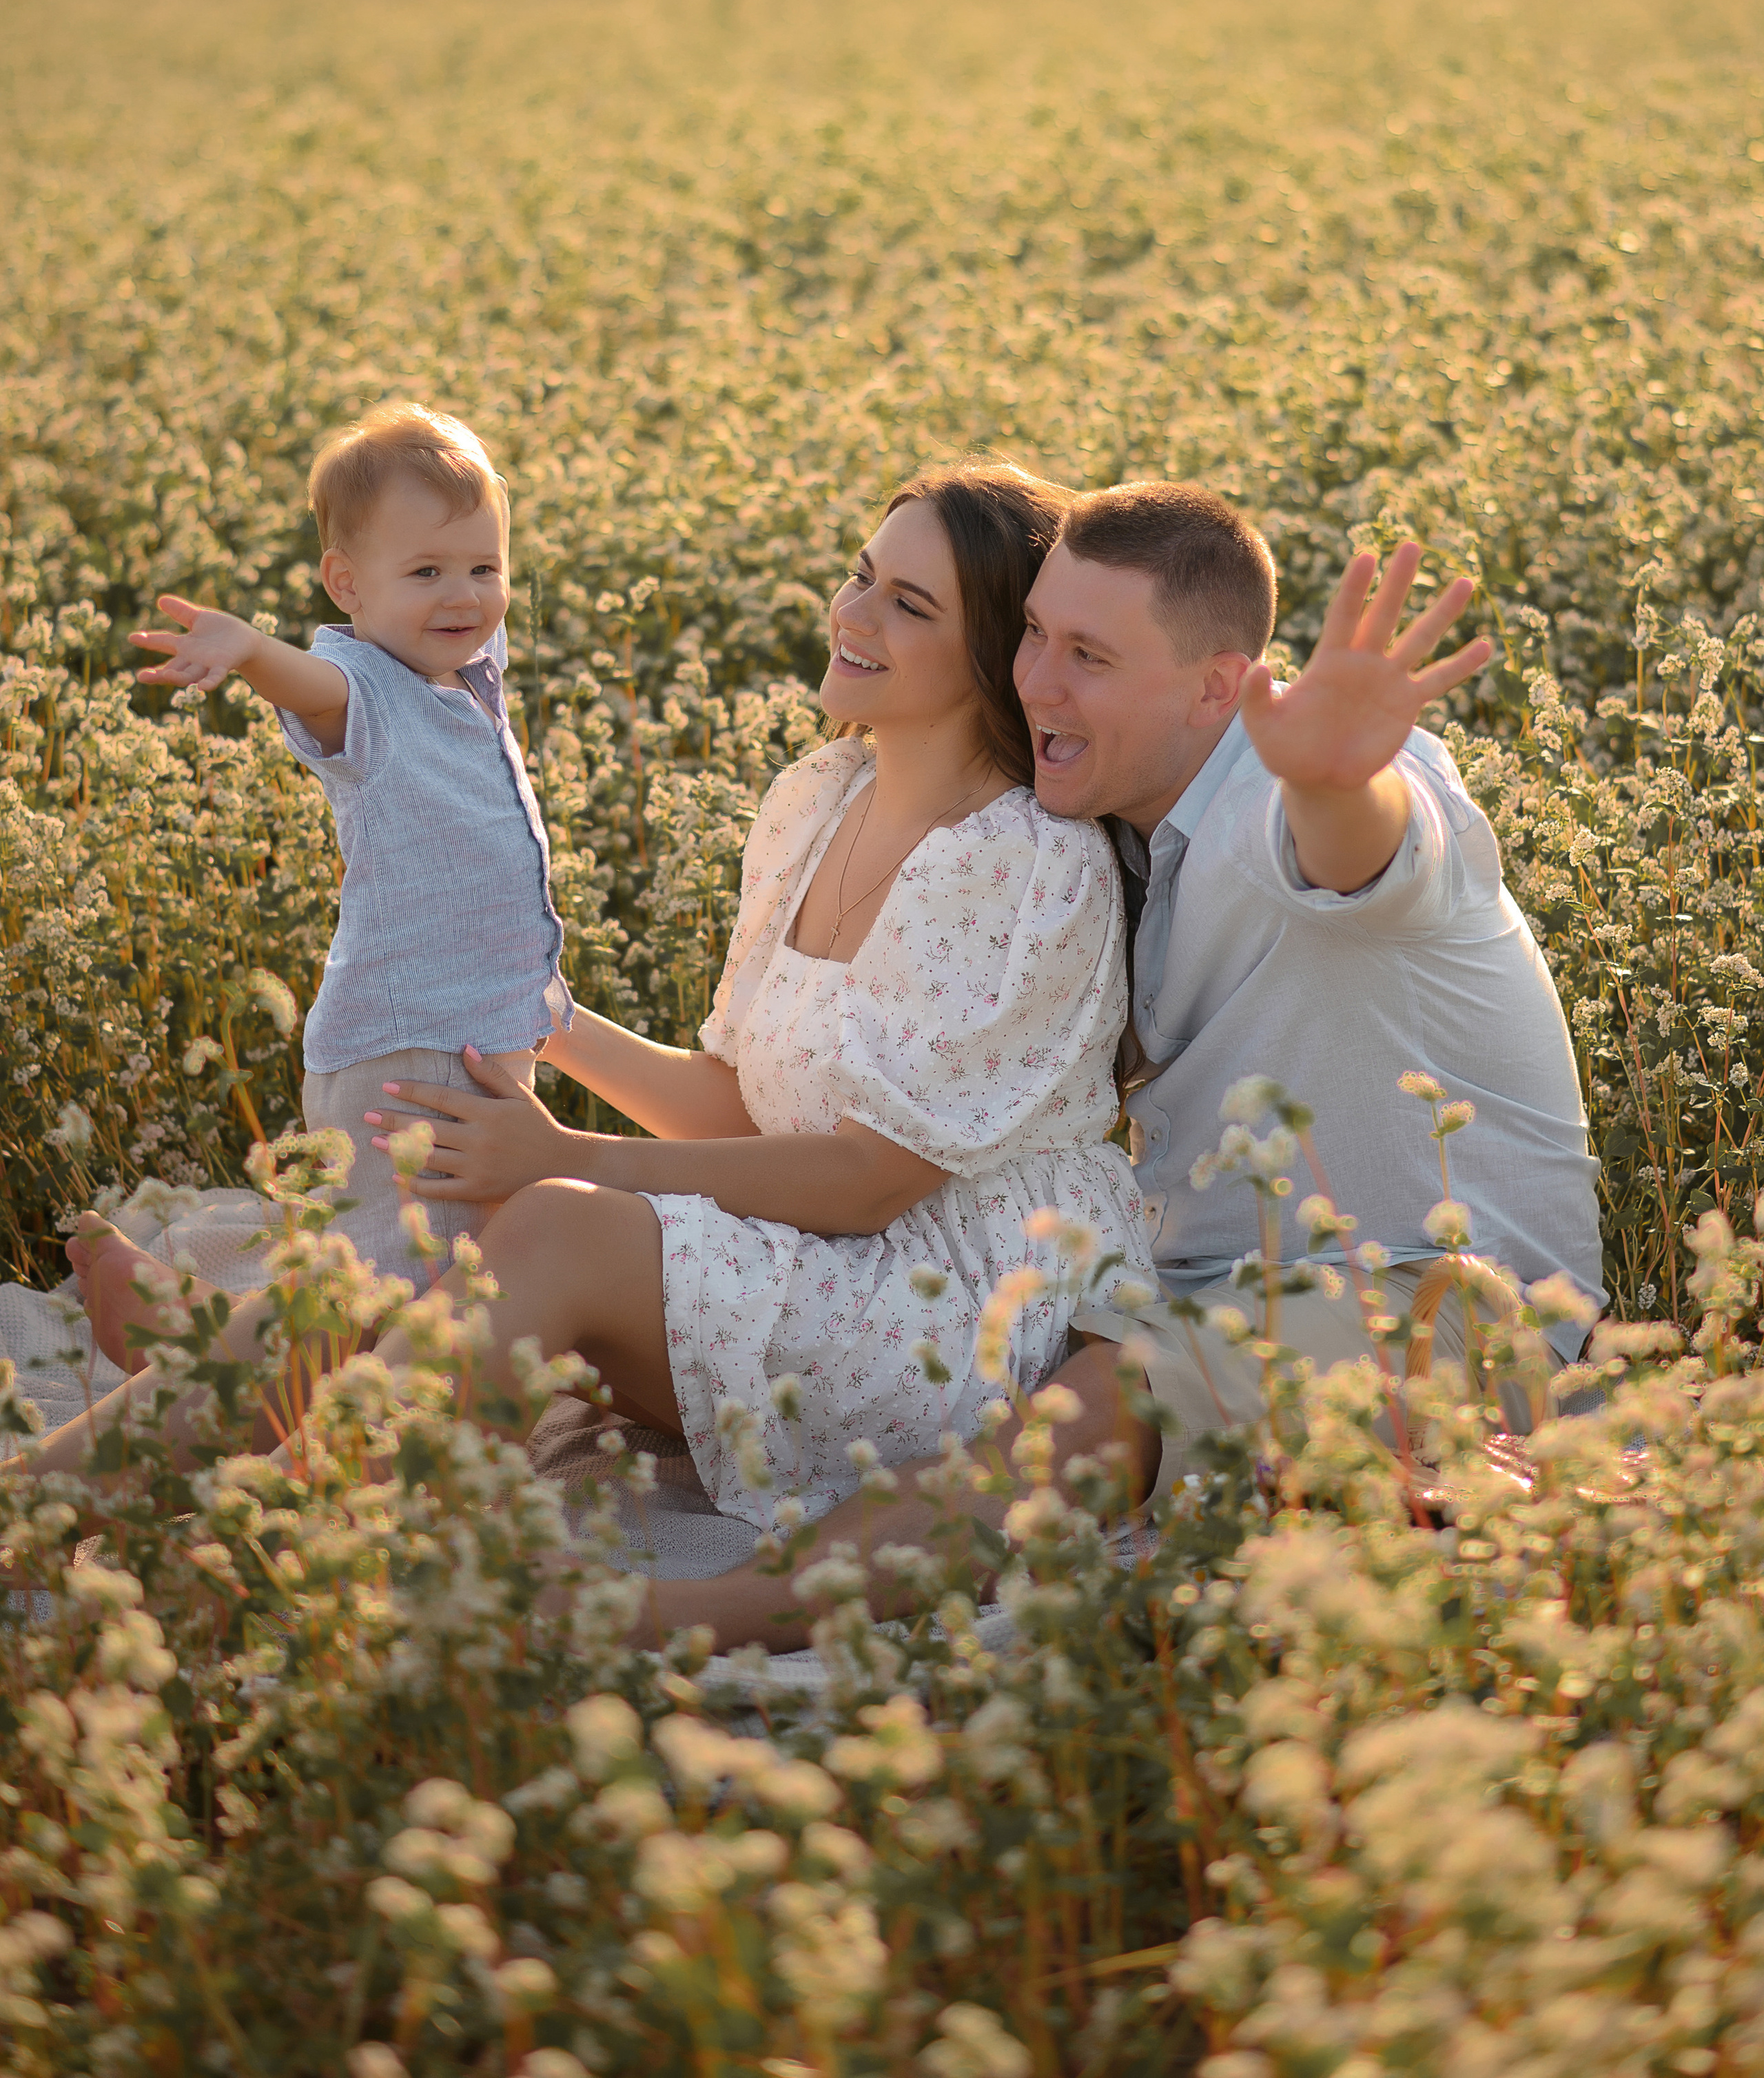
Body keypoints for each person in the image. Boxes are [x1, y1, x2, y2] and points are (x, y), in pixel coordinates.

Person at [44, 463, 1158, 1531]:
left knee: (553, 1222)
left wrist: (567, 1155)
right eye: (862, 573)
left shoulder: (1028, 863)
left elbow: (871, 1182)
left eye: (909, 604)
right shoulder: (820, 798)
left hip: (949, 1315)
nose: (855, 613)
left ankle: (278, 1526)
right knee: (445, 1216)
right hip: (818, 1261)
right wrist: (547, 1018)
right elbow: (738, 1108)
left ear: (991, 654)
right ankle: (58, 1483)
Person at [627, 481, 1606, 1649]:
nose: (1036, 679)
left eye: (1088, 654)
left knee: (1094, 1407)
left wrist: (1343, 778)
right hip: (1190, 1286)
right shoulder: (1100, 839)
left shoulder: (1296, 796)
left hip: (1442, 1298)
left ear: (1214, 688)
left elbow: (1360, 855)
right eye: (1036, 632)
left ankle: (721, 1616)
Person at [0, 399, 573, 1424]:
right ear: (348, 587)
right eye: (427, 571)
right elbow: (314, 685)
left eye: (484, 568)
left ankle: (182, 1323)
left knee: (438, 1276)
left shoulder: (463, 686)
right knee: (378, 1295)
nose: (464, 595)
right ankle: (207, 1368)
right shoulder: (365, 688)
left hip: (465, 1049)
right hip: (406, 1062)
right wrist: (250, 650)